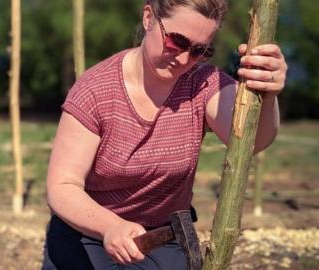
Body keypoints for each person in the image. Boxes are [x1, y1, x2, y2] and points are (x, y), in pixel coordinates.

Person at [42, 0, 288, 269]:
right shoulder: (96, 89)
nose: (183, 59)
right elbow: (62, 187)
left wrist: (268, 91)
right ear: (148, 18)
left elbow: (254, 141)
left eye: (198, 50)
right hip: (85, 234)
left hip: (162, 237)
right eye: (176, 41)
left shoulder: (202, 84)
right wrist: (110, 226)